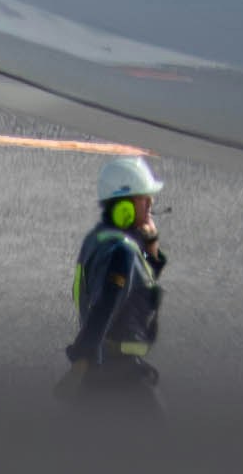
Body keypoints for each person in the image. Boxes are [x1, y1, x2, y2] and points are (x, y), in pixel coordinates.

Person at [62, 155, 167, 408]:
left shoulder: (100, 240)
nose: (151, 205)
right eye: (145, 199)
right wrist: (82, 359)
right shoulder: (121, 251)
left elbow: (138, 283)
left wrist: (151, 244)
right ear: (125, 207)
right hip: (118, 373)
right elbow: (105, 306)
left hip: (109, 369)